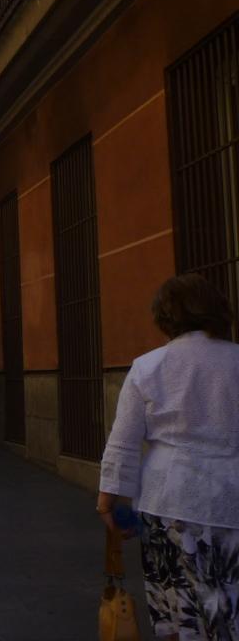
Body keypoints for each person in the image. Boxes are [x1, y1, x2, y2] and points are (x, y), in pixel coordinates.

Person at [98, 275, 239, 641]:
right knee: (228, 601)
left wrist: (108, 499)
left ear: (165, 316)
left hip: (168, 501)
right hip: (231, 499)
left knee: (176, 606)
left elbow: (124, 442)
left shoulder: (148, 366)